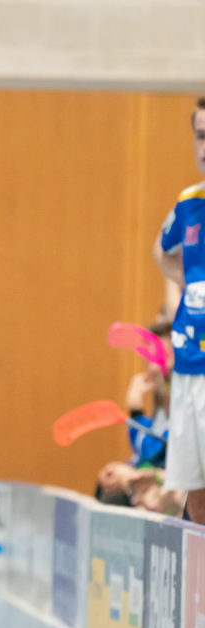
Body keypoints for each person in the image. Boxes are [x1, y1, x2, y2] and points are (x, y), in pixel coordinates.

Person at [154, 95, 205, 522]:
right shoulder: (188, 203)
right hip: (188, 367)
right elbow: (160, 253)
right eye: (200, 135)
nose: (204, 146)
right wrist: (189, 283)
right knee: (195, 492)